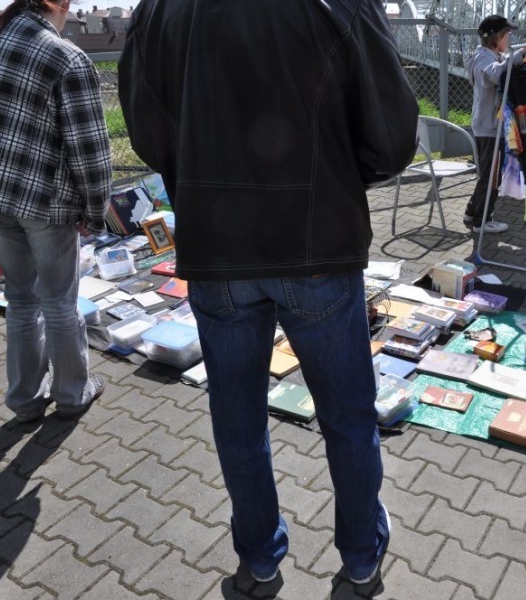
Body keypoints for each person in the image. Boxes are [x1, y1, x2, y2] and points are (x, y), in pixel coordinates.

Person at [118, 0, 418, 586]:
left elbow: (148, 127)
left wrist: (199, 169)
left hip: (216, 247)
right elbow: (389, 137)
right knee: (348, 416)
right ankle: (360, 558)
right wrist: (334, 168)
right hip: (315, 242)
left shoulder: (159, 9)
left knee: (237, 419)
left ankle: (258, 559)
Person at [0, 0, 110, 422]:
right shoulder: (64, 56)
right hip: (45, 202)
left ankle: (24, 401)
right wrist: (95, 212)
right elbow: (90, 151)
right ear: (60, 5)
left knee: (21, 298)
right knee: (59, 301)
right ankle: (72, 394)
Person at [462, 15, 526, 234]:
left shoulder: (493, 55)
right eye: (507, 34)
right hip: (490, 128)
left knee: (488, 175)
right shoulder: (483, 57)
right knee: (491, 177)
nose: (510, 37)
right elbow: (495, 74)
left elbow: (501, 66)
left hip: (490, 125)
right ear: (496, 36)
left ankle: (472, 212)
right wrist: (520, 55)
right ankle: (482, 221)